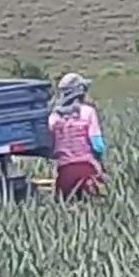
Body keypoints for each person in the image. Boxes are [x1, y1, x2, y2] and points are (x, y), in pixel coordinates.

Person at [48, 72, 106, 200]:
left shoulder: (54, 117)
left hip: (64, 173)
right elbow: (98, 146)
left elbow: (50, 145)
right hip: (87, 170)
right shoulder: (88, 112)